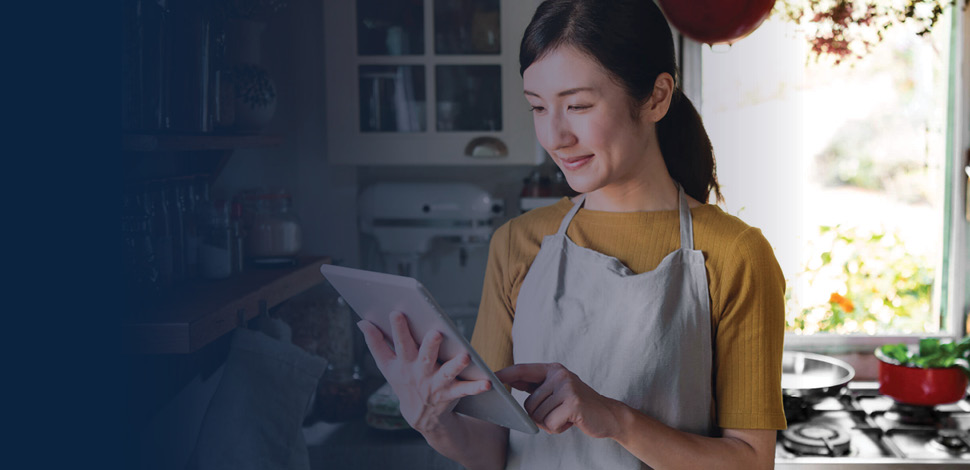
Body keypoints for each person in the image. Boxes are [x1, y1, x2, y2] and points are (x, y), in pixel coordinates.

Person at [356, 0, 787, 468]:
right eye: (538, 107)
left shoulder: (735, 255)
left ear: (656, 98)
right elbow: (491, 450)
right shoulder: (517, 243)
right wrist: (433, 420)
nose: (555, 135)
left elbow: (750, 462)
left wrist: (617, 419)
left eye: (578, 105)